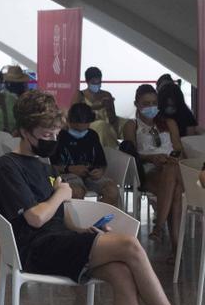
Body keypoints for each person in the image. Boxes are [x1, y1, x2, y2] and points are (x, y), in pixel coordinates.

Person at [0, 89, 205, 305]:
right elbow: (35, 219)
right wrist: (60, 194)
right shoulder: (7, 167)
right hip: (35, 250)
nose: (52, 139)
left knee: (122, 272)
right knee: (129, 246)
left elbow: (58, 215)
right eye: (46, 134)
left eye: (55, 133)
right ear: (25, 131)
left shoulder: (43, 164)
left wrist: (81, 228)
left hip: (58, 242)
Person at [123, 84, 184, 252]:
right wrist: (151, 158)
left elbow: (178, 148)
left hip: (171, 166)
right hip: (149, 171)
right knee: (176, 190)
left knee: (172, 170)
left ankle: (159, 227)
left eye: (154, 103)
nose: (151, 107)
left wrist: (172, 157)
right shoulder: (132, 125)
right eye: (146, 103)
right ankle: (175, 248)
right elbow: (132, 153)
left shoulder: (169, 123)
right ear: (137, 104)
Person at [55, 102, 120, 206]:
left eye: (84, 129)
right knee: (76, 192)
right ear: (68, 122)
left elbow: (101, 163)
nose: (81, 133)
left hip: (91, 176)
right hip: (67, 175)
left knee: (112, 190)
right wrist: (69, 169)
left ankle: (99, 215)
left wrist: (99, 171)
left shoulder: (92, 136)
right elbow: (50, 166)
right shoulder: (59, 137)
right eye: (76, 130)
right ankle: (77, 216)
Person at [72, 66, 120, 148]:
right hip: (86, 127)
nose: (97, 85)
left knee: (104, 127)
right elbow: (73, 114)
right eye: (94, 83)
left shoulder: (106, 95)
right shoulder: (79, 95)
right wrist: (98, 106)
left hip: (106, 128)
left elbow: (113, 119)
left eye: (99, 82)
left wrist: (108, 107)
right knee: (101, 125)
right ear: (87, 82)